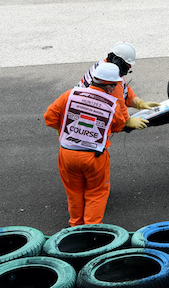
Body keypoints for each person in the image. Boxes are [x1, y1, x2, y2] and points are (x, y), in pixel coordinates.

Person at [44, 62, 148, 226]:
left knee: (74, 192)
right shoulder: (111, 104)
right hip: (94, 157)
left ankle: (75, 228)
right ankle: (92, 231)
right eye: (114, 86)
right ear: (109, 86)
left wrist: (61, 129)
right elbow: (119, 125)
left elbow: (49, 118)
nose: (114, 89)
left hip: (67, 154)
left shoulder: (70, 94)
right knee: (96, 193)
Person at [80, 41, 159, 113]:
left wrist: (139, 103)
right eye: (127, 64)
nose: (130, 67)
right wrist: (128, 121)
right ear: (118, 62)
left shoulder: (105, 67)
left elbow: (124, 88)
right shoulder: (109, 78)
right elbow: (118, 110)